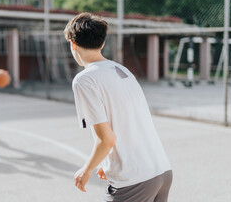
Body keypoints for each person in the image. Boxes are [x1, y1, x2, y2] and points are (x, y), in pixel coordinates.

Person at [64, 13, 172, 202]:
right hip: (161, 170)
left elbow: (106, 139)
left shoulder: (85, 80)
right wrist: (107, 164)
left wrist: (86, 170)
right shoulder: (121, 70)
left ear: (73, 44)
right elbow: (126, 122)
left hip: (135, 180)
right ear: (103, 42)